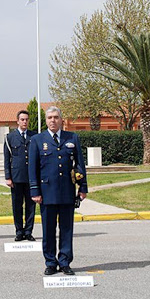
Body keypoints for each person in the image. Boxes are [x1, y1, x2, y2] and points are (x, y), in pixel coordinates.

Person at [29, 106, 87, 275]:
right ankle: (50, 262)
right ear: (46, 120)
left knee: (67, 229)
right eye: (49, 118)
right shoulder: (38, 140)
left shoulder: (72, 138)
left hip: (67, 191)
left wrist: (82, 188)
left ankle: (65, 261)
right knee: (48, 229)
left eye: (56, 117)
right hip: (46, 192)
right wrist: (35, 191)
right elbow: (33, 169)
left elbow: (80, 165)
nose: (52, 120)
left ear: (61, 119)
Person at [4, 110, 37, 241]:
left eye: (27, 119)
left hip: (31, 177)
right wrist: (8, 177)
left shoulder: (34, 136)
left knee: (31, 206)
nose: (25, 122)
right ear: (17, 121)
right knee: (17, 206)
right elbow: (7, 159)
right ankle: (19, 231)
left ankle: (28, 231)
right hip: (16, 177)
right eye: (22, 119)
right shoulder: (10, 137)